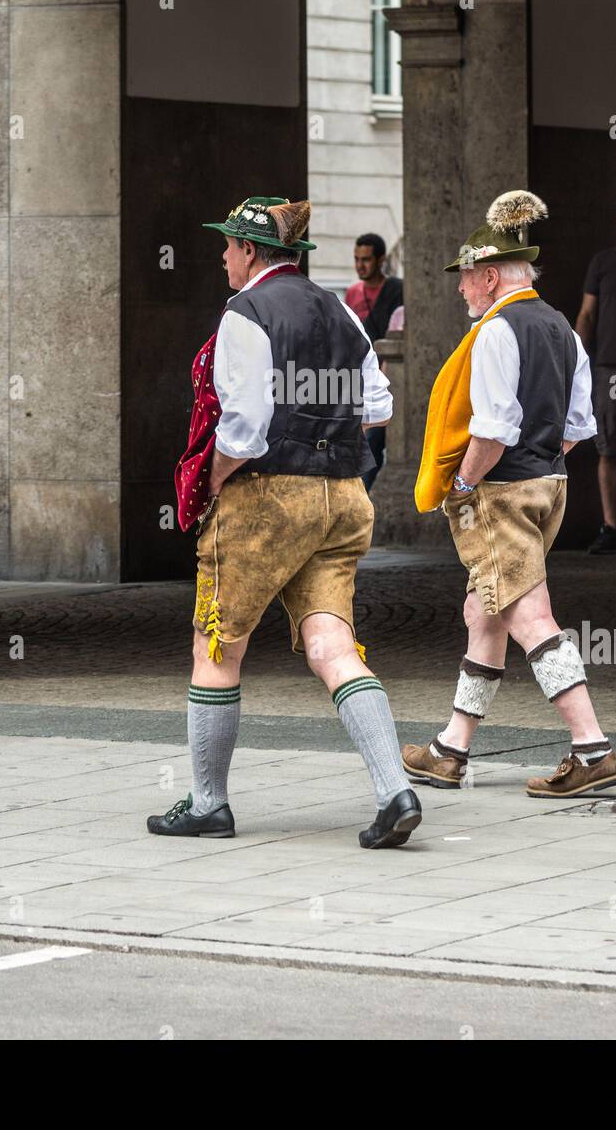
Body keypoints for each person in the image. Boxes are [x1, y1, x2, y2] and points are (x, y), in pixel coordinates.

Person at [148, 197, 422, 849]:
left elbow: (242, 427)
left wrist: (210, 485)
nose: (222, 256)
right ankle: (394, 791)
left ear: (249, 252)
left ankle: (210, 803)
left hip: (265, 500)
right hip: (342, 495)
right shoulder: (342, 312)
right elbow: (378, 406)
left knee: (217, 646)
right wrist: (321, 432)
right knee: (332, 644)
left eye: (229, 246)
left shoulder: (245, 312)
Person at [401, 191, 616, 799]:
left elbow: (492, 430)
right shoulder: (560, 328)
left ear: (492, 275)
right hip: (550, 483)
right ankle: (451, 749)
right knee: (485, 611)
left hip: (500, 492)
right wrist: (540, 468)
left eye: (467, 277)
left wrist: (467, 485)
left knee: (529, 614)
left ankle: (592, 748)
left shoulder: (497, 331)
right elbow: (578, 428)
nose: (461, 288)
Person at [575, 193, 616, 554]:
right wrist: (580, 361)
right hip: (612, 368)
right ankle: (611, 527)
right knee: (610, 446)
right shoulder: (603, 262)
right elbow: (586, 315)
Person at [344, 233, 403, 490]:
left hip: (393, 377)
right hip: (362, 377)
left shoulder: (397, 290)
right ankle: (363, 494)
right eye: (357, 259)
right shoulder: (353, 293)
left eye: (366, 260)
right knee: (367, 443)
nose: (360, 265)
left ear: (380, 260)